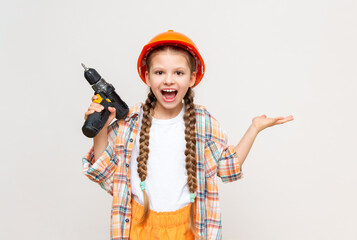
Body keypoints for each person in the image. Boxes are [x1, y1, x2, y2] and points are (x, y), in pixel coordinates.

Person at [82, 30, 294, 240]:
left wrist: (254, 128)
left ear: (192, 78)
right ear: (147, 77)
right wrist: (100, 131)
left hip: (188, 228)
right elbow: (106, 172)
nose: (168, 80)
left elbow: (227, 166)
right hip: (139, 227)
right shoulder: (131, 120)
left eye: (178, 73)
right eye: (159, 73)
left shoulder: (202, 122)